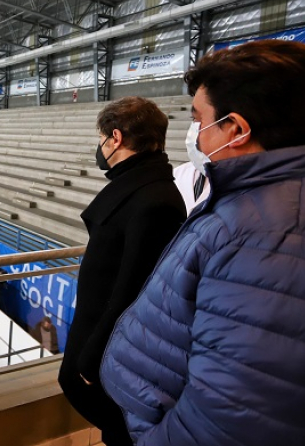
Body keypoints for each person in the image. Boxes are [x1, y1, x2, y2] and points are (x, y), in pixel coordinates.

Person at [100, 40, 305, 446]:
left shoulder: (265, 236)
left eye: (200, 120)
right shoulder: (255, 207)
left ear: (236, 129)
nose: (195, 134)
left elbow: (230, 414)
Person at [58, 97, 186, 446]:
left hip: (109, 343)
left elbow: (134, 290)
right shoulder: (140, 185)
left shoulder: (155, 200)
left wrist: (93, 355)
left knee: (120, 425)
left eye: (101, 140)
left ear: (115, 138)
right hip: (97, 330)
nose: (100, 148)